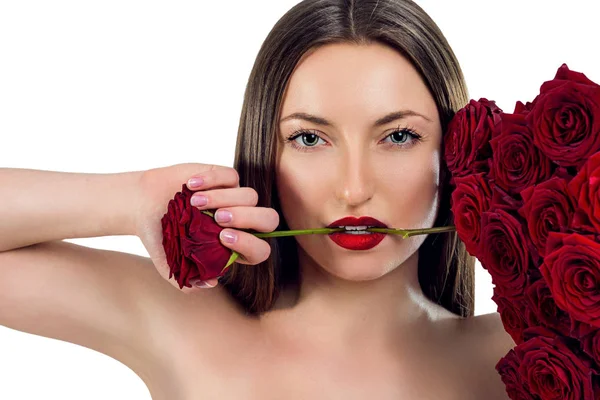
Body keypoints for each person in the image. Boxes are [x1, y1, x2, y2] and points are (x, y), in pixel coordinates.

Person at [0, 0, 516, 398]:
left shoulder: (521, 355)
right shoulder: (178, 321)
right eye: (310, 139)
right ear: (263, 151)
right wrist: (132, 197)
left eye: (398, 136)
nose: (354, 188)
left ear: (452, 148)